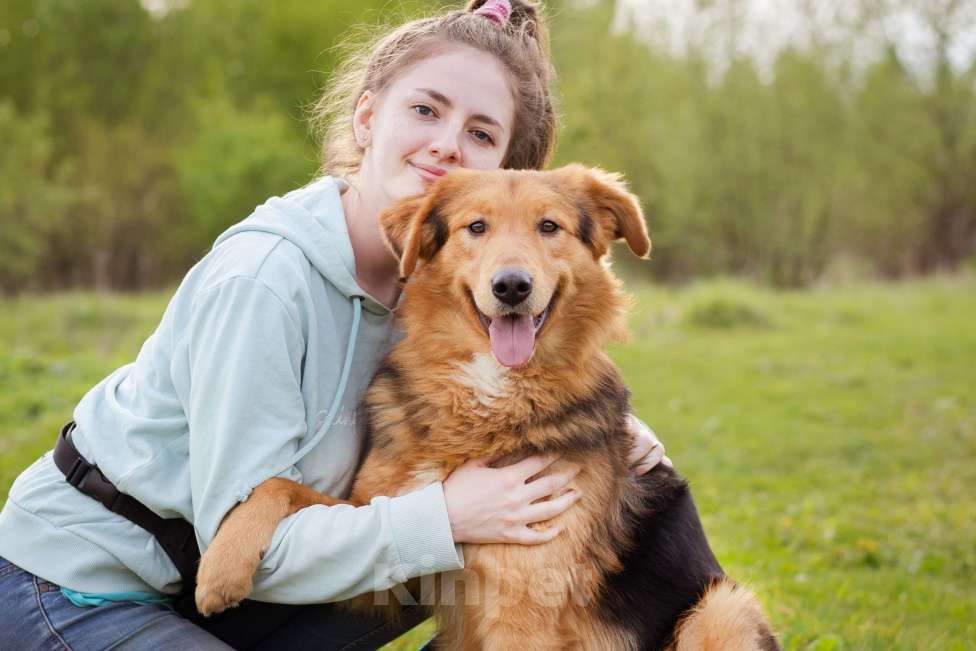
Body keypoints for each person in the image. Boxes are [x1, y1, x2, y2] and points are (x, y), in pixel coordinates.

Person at [0, 1, 668, 649]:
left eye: (481, 133)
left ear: (505, 168)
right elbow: (245, 543)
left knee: (475, 534)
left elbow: (514, 383)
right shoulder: (264, 278)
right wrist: (443, 515)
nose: (447, 145)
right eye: (426, 109)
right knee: (441, 527)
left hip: (207, 589)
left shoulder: (442, 285)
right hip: (78, 581)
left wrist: (595, 432)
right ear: (368, 115)